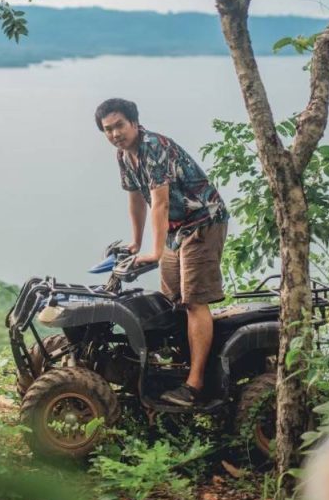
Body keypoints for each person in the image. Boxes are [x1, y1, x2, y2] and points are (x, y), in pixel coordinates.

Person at [94, 97, 229, 407]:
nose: (115, 134)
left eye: (119, 126)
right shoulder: (124, 155)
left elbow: (161, 202)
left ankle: (194, 385)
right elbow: (136, 199)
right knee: (172, 300)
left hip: (202, 221)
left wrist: (154, 252)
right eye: (108, 129)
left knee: (194, 300)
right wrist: (135, 243)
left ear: (134, 123)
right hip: (175, 228)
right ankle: (177, 368)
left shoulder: (153, 145)